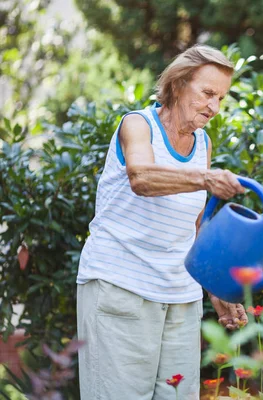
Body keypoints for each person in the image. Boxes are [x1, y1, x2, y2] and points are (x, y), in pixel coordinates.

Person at [76, 45, 249, 400]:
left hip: (179, 296)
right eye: (207, 93)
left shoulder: (203, 143)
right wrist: (204, 180)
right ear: (180, 83)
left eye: (221, 98)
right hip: (121, 287)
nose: (214, 107)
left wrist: (214, 289)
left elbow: (195, 228)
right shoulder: (137, 124)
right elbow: (141, 177)